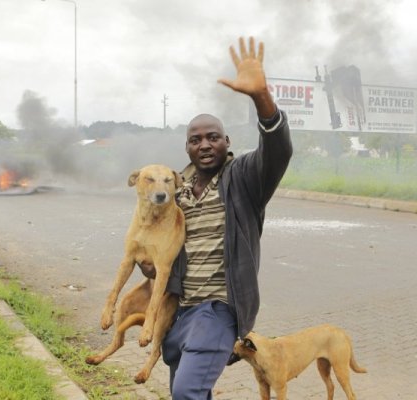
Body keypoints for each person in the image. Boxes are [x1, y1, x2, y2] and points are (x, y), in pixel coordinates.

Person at [162, 36, 292, 399]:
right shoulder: (177, 189)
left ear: (226, 141)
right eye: (195, 139)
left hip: (218, 309)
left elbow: (278, 151)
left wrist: (260, 97)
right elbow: (165, 250)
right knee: (189, 391)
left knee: (186, 393)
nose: (204, 145)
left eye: (212, 137)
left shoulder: (244, 178)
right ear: (187, 146)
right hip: (181, 311)